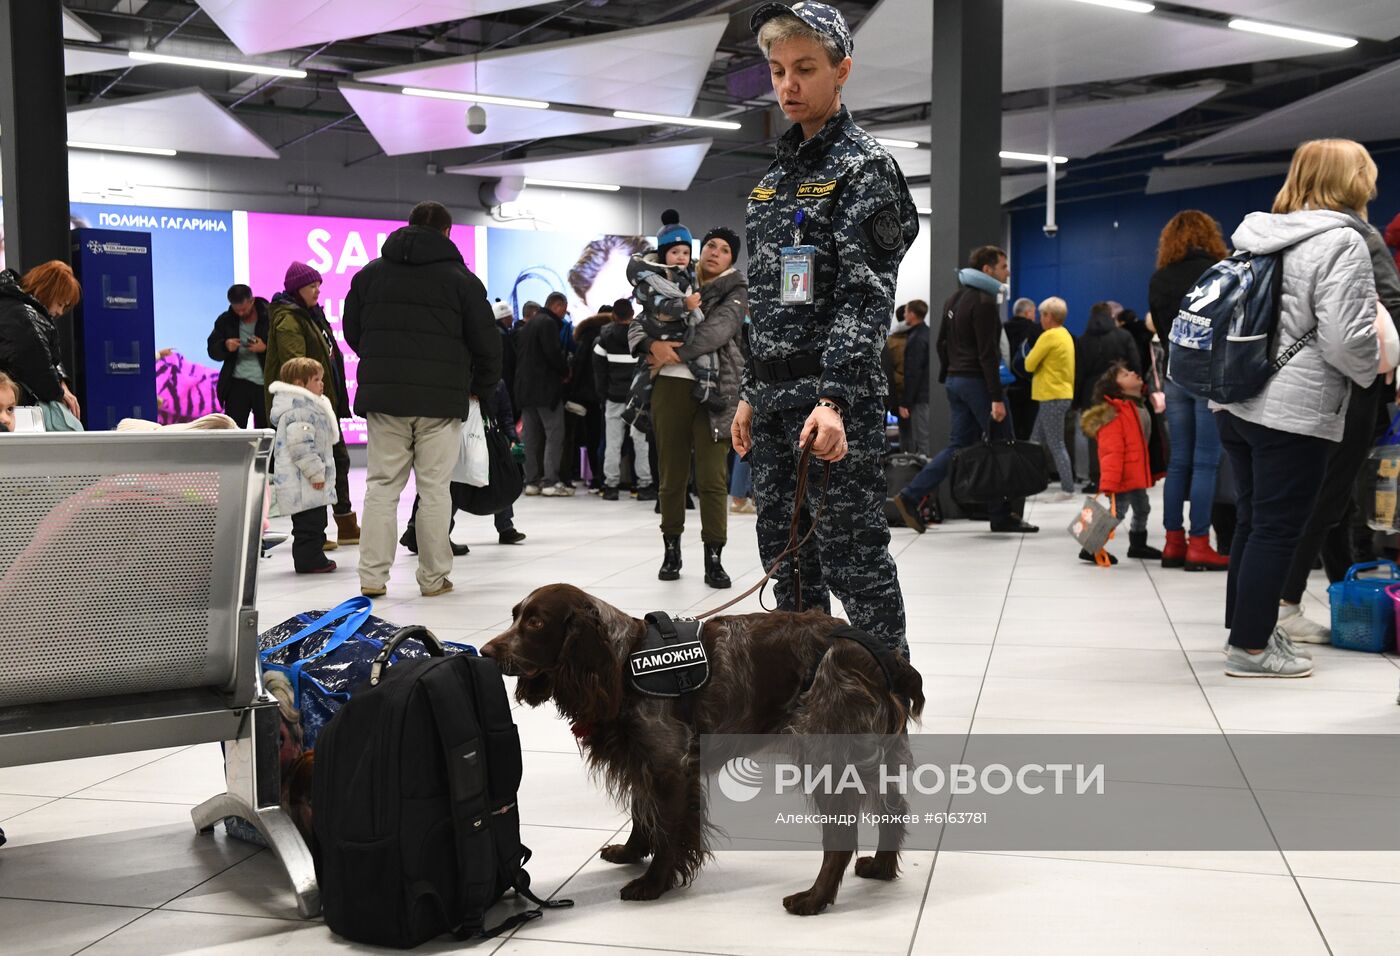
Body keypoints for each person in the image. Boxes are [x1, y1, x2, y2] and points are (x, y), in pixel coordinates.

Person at [737, 1, 919, 656]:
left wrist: (834, 399)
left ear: (841, 71)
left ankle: (885, 705)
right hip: (780, 403)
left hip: (833, 405)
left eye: (805, 68)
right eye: (778, 69)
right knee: (789, 565)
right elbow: (776, 298)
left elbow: (864, 295)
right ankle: (811, 700)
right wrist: (754, 391)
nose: (788, 84)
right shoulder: (775, 179)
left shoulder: (863, 169)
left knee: (851, 560)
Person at [1217, 139, 1380, 679]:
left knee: (1252, 519)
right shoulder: (1341, 242)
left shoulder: (1257, 234)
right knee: (1278, 528)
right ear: (1353, 180)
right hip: (1294, 404)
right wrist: (1374, 369)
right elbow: (1346, 339)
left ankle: (1245, 628)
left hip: (1236, 395)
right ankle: (1252, 648)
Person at [343, 200, 499, 598]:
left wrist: (382, 365)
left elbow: (353, 331)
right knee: (434, 489)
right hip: (441, 402)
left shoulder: (370, 275)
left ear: (408, 227)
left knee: (381, 486)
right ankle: (433, 579)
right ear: (447, 233)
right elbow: (486, 342)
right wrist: (480, 386)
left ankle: (372, 578)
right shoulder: (462, 280)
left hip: (385, 399)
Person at [1276, 170, 1400, 645]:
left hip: (1291, 387)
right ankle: (1286, 605)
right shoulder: (1356, 235)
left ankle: (1337, 588)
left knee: (1320, 496)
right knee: (1328, 497)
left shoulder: (1282, 230)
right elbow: (1383, 310)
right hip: (1350, 386)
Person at [890, 246, 1038, 536]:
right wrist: (996, 397)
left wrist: (950, 372)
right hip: (978, 383)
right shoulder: (983, 302)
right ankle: (1001, 514)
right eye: (1003, 266)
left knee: (960, 445)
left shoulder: (953, 299)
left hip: (958, 381)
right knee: (1001, 444)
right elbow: (987, 354)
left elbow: (941, 344)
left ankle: (909, 496)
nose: (1007, 271)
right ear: (987, 269)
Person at [632, 223, 748, 587]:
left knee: (713, 478)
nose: (714, 252)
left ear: (731, 258)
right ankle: (672, 551)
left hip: (718, 393)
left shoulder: (736, 289)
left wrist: (669, 352)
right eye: (710, 245)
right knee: (671, 475)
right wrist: (651, 348)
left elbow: (718, 332)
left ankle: (714, 556)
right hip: (669, 388)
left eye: (724, 249)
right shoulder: (675, 278)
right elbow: (638, 324)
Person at [1149, 210, 1231, 571]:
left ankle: (1172, 542)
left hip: (1175, 374)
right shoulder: (1219, 273)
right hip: (1210, 374)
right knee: (1206, 462)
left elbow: (1163, 327)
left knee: (1178, 461)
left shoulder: (1159, 279)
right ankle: (1200, 543)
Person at [264, 262, 359, 548]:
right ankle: (313, 536)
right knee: (311, 467)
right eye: (311, 286)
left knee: (335, 461)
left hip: (320, 402)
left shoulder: (310, 315)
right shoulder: (289, 320)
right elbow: (297, 368)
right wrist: (313, 398)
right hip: (304, 407)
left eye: (319, 285)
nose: (317, 290)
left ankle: (341, 526)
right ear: (296, 290)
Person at [400, 379, 528, 553]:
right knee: (449, 483)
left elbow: (505, 415)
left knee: (450, 481)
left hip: (477, 437)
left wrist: (512, 438)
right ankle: (425, 532)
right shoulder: (481, 381)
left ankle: (505, 526)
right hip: (461, 437)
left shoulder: (493, 384)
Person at [1079, 362, 1161, 564]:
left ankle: (1138, 544)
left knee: (1143, 507)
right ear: (1117, 388)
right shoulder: (1115, 414)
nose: (1133, 373)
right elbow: (1111, 452)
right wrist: (1110, 482)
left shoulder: (1138, 405)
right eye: (1125, 374)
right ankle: (1090, 547)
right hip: (1122, 475)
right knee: (1117, 511)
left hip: (1135, 473)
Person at [269, 357, 339, 575]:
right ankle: (309, 560)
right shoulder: (299, 409)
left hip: (305, 483)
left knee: (313, 522)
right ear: (300, 384)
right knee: (310, 524)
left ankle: (311, 556)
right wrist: (316, 473)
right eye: (316, 380)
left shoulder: (304, 406)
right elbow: (301, 446)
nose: (322, 384)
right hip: (304, 482)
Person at [0, 262, 83, 430]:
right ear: (47, 291)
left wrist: (60, 381)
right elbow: (40, 367)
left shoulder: (16, 306)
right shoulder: (23, 316)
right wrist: (59, 391)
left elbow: (45, 357)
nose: (60, 312)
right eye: (60, 303)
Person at [1074, 301, 1139, 494]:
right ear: (1110, 315)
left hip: (1090, 393)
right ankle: (1124, 477)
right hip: (1119, 391)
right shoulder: (1123, 336)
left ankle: (1096, 479)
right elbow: (1135, 363)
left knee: (1096, 438)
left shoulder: (1083, 340)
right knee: (1123, 437)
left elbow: (1079, 372)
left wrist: (1076, 400)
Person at [594, 299, 656, 500]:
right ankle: (644, 485)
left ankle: (610, 486)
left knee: (613, 442)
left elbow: (598, 371)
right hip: (637, 398)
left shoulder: (604, 338)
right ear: (632, 314)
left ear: (613, 315)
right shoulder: (640, 336)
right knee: (640, 442)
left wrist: (603, 394)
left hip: (613, 396)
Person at [514, 292, 572, 496]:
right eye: (564, 309)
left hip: (525, 391)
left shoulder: (527, 325)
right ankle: (550, 482)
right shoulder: (548, 323)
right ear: (557, 305)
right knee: (554, 435)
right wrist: (565, 371)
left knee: (530, 438)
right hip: (546, 391)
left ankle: (531, 481)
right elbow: (553, 354)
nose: (564, 315)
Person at [1024, 296, 1076, 499]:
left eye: (1042, 314)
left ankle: (1068, 489)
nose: (1040, 319)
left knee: (1055, 443)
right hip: (1059, 394)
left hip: (1051, 395)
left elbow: (1029, 364)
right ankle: (1028, 484)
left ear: (1050, 316)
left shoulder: (1049, 336)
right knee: (1035, 441)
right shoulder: (1064, 335)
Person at [206, 284, 270, 429]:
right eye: (237, 310)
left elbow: (282, 347)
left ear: (252, 301)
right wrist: (225, 346)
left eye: (244, 309)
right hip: (237, 384)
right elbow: (212, 350)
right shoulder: (225, 320)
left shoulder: (270, 317)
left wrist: (265, 348)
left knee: (266, 432)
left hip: (265, 385)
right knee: (234, 431)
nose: (240, 313)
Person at [566, 308, 608, 491]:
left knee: (592, 437)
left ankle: (596, 478)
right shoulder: (608, 336)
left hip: (589, 397)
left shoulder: (586, 337)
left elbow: (578, 365)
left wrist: (574, 393)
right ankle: (607, 477)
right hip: (606, 393)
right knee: (607, 437)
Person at [1004, 297, 1041, 440]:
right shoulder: (1035, 330)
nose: (1035, 316)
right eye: (1034, 312)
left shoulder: (1003, 328)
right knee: (1028, 428)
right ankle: (1025, 459)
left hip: (1007, 385)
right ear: (1027, 313)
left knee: (1011, 427)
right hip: (1028, 385)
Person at [899, 299, 931, 456]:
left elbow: (913, 372)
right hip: (925, 393)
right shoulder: (927, 333)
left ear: (912, 313)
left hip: (919, 396)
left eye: (905, 311)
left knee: (921, 440)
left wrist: (906, 402)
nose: (904, 314)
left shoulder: (916, 338)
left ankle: (923, 476)